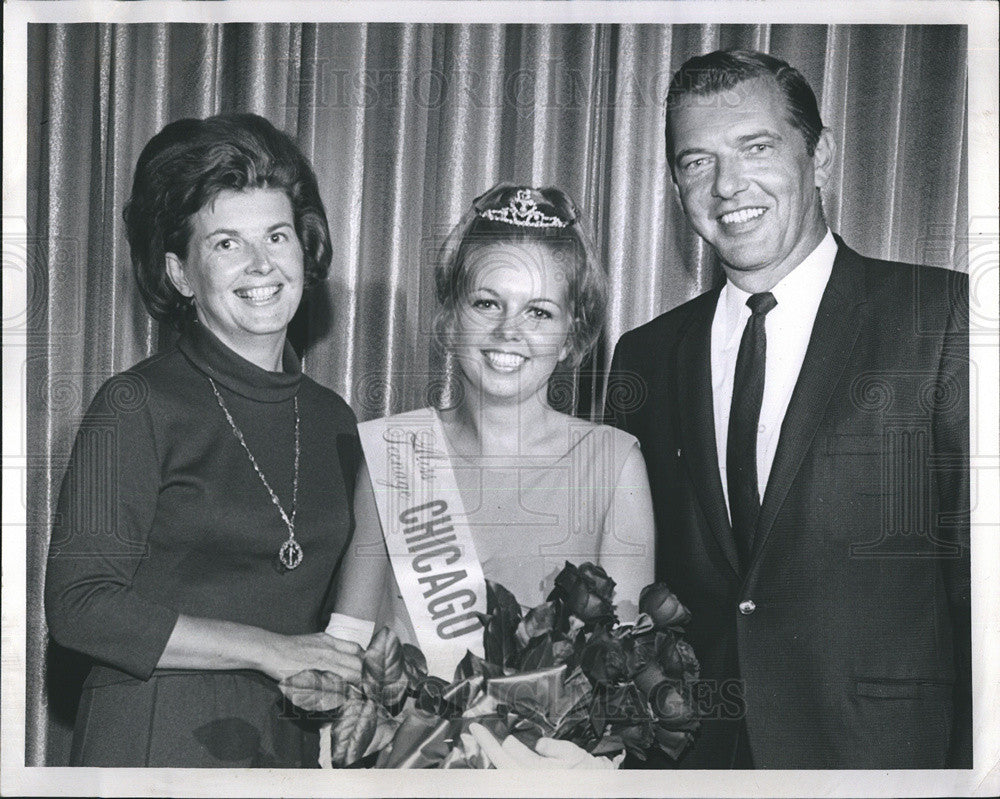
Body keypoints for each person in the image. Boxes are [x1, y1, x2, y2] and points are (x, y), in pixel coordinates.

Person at [607, 50, 971, 769]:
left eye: (756, 147)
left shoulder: (945, 315)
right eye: (696, 161)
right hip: (695, 761)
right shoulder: (644, 354)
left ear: (822, 154)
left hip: (884, 761)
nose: (727, 186)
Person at [44, 113, 364, 767]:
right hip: (155, 734)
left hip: (288, 745)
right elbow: (80, 606)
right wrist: (267, 647)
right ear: (181, 274)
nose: (260, 264)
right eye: (225, 243)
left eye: (276, 235)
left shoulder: (336, 419)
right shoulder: (134, 403)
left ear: (306, 248)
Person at [331, 181, 655, 687]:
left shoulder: (614, 464)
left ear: (572, 337)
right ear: (449, 316)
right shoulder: (396, 454)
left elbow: (623, 669)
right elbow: (348, 646)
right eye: (487, 303)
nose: (510, 331)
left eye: (540, 312)